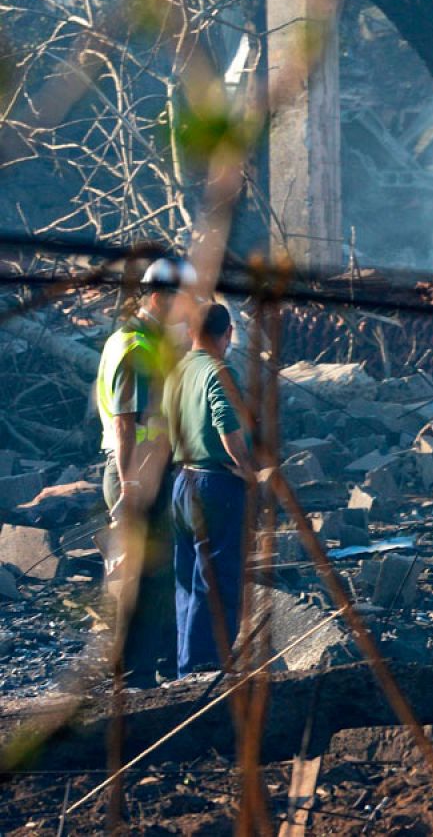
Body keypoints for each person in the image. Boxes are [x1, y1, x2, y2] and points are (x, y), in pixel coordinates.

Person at [94, 257, 194, 686]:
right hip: (136, 471)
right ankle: (134, 674)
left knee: (159, 574)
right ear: (158, 297)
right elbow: (124, 420)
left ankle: (156, 667)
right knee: (142, 577)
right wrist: (131, 481)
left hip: (150, 469)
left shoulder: (146, 342)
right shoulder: (136, 347)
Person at [163, 302, 255, 676]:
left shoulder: (178, 371)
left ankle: (187, 667)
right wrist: (246, 467)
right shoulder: (219, 370)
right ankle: (206, 668)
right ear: (227, 333)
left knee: (187, 578)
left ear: (190, 333)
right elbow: (226, 420)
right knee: (217, 581)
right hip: (215, 483)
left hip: (181, 481)